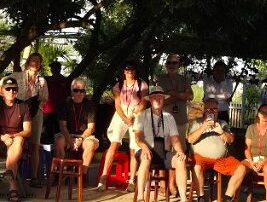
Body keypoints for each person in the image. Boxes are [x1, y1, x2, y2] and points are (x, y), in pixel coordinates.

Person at [98, 61, 148, 192]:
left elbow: (143, 102)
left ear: (135, 71)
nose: (129, 71)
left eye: (132, 69)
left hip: (136, 113)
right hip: (121, 114)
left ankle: (131, 181)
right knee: (114, 144)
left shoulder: (141, 84)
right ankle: (103, 177)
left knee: (133, 148)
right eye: (127, 69)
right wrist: (124, 118)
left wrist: (133, 115)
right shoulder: (119, 85)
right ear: (123, 71)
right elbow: (117, 105)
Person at [134, 86, 188, 202]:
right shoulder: (142, 115)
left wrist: (179, 151)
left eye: (160, 98)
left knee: (180, 160)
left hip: (163, 152)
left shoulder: (169, 117)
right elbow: (138, 137)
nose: (157, 100)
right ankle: (140, 197)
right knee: (146, 157)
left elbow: (175, 139)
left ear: (164, 100)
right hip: (146, 149)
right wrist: (144, 147)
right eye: (155, 98)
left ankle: (184, 199)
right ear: (150, 100)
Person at [187, 98, 247, 202]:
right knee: (196, 167)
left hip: (221, 159)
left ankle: (228, 198)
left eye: (214, 109)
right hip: (201, 158)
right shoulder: (197, 122)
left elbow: (231, 140)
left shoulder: (222, 123)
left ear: (218, 111)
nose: (211, 111)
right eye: (208, 109)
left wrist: (222, 132)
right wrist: (203, 127)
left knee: (241, 168)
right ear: (204, 110)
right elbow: (190, 140)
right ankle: (201, 198)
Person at [10, 52, 49, 188]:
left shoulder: (42, 80)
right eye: (34, 60)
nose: (36, 63)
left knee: (34, 145)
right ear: (28, 63)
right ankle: (13, 176)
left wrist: (38, 99)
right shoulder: (17, 76)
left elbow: (45, 98)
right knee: (17, 142)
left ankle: (34, 178)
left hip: (36, 112)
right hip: (19, 111)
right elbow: (3, 87)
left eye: (38, 61)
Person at [55, 77, 99, 180]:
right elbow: (62, 126)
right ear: (71, 91)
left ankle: (82, 175)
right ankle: (60, 173)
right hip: (67, 134)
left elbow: (91, 128)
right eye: (76, 90)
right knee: (59, 141)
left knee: (90, 144)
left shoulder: (90, 105)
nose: (79, 93)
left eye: (82, 91)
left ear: (85, 92)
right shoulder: (65, 103)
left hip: (84, 136)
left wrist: (81, 139)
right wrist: (69, 139)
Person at [0, 76, 32, 202]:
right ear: (1, 90)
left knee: (19, 139)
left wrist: (12, 136)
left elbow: (27, 131)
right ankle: (12, 186)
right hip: (1, 139)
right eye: (8, 89)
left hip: (15, 142)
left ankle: (11, 183)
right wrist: (3, 137)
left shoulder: (23, 106)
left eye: (14, 89)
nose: (11, 91)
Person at [243, 104, 267, 202]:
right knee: (240, 167)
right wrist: (251, 161)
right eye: (262, 112)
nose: (265, 115)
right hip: (252, 158)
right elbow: (247, 148)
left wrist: (264, 161)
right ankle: (232, 198)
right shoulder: (251, 128)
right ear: (258, 114)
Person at [157, 54, 193, 150]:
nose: (171, 65)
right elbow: (161, 101)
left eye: (174, 63)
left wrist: (172, 93)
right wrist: (181, 95)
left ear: (178, 65)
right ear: (166, 65)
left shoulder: (184, 79)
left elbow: (190, 96)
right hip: (165, 120)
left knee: (181, 149)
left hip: (181, 120)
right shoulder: (161, 80)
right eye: (169, 63)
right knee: (165, 150)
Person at [42, 60, 70, 144]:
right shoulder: (47, 80)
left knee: (58, 131)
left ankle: (57, 149)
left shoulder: (65, 81)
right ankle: (46, 149)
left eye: (55, 67)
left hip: (60, 111)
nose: (53, 69)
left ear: (59, 69)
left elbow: (67, 96)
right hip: (47, 110)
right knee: (46, 131)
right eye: (52, 68)